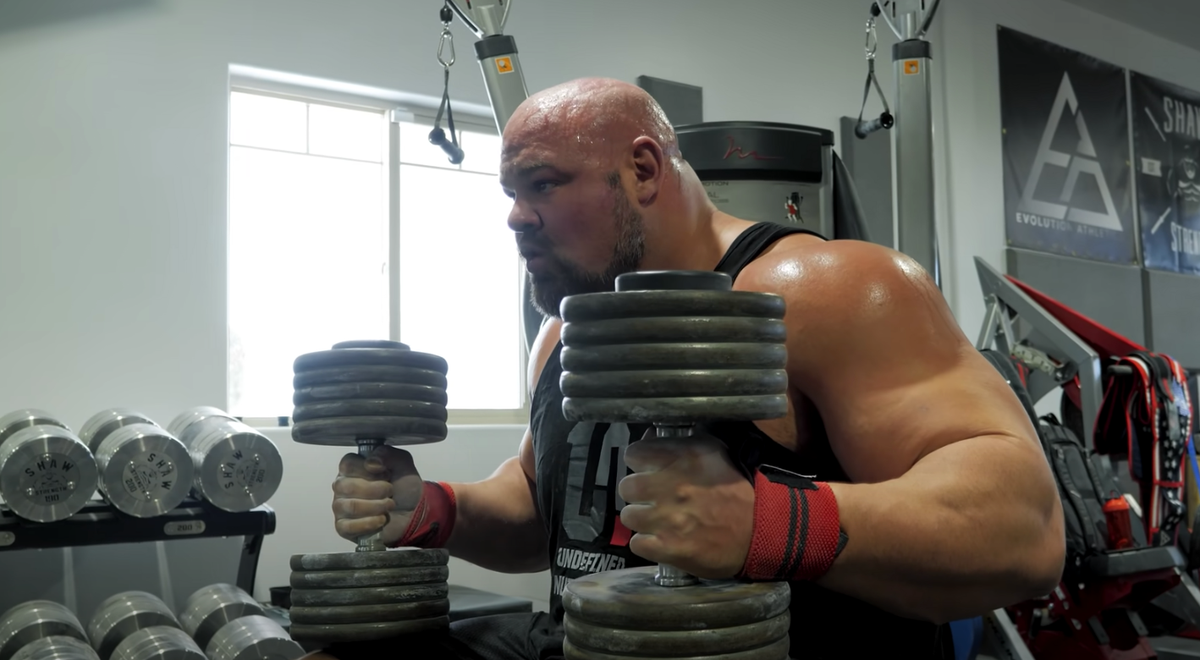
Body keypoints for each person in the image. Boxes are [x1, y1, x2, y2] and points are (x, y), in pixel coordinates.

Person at [309, 77, 1065, 660]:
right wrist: (432, 509)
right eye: (510, 193)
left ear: (642, 169)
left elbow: (1023, 527)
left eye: (542, 184)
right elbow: (549, 515)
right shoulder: (565, 333)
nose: (515, 216)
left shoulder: (824, 293)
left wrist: (770, 525)